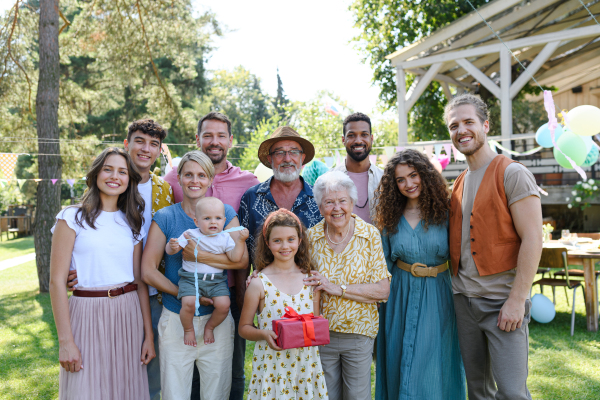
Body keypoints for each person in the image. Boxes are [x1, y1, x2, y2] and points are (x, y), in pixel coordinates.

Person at [445, 93, 543, 400]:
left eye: (468, 122)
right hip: (463, 302)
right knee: (477, 391)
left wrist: (517, 299)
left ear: (485, 125)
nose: (461, 130)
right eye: (454, 125)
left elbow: (533, 238)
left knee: (513, 393)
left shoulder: (512, 173)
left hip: (502, 301)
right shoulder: (459, 182)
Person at [66, 119, 172, 400]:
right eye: (139, 141)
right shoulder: (82, 211)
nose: (145, 149)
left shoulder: (167, 189)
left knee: (144, 377)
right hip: (104, 298)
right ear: (127, 145)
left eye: (153, 144)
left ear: (160, 150)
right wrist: (74, 270)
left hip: (153, 294)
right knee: (92, 379)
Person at [165, 111, 258, 400]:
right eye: (208, 135)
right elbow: (164, 222)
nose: (214, 141)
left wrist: (203, 255)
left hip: (228, 288)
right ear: (198, 139)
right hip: (187, 283)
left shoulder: (248, 181)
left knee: (229, 369)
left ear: (231, 141)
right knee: (188, 371)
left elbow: (246, 242)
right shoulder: (172, 179)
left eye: (220, 136)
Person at [49, 147, 155, 400]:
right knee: (85, 390)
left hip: (128, 313)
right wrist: (65, 341)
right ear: (96, 173)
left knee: (125, 390)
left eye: (122, 171)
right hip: (86, 312)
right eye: (108, 169)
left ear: (129, 179)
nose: (114, 176)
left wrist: (148, 336)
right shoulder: (71, 217)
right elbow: (55, 282)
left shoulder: (133, 222)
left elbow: (139, 281)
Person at [142, 150, 247, 400]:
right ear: (179, 178)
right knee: (174, 392)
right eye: (188, 174)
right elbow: (147, 270)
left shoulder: (224, 213)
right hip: (177, 317)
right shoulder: (167, 216)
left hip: (217, 321)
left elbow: (241, 259)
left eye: (201, 175)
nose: (195, 180)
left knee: (217, 392)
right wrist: (185, 293)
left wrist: (197, 256)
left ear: (210, 179)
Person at [373, 149, 466, 400]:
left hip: (440, 296)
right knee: (397, 357)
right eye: (400, 180)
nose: (408, 184)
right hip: (399, 297)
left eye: (413, 175)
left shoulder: (447, 211)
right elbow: (382, 265)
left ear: (424, 175)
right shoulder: (388, 217)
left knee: (436, 362)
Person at [304, 170, 391, 400]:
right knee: (325, 396)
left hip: (359, 333)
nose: (337, 208)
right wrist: (260, 277)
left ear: (352, 202)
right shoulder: (310, 238)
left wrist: (337, 288)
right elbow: (295, 277)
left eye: (342, 201)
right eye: (329, 202)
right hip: (322, 334)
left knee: (357, 396)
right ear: (320, 208)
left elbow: (382, 290)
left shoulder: (369, 235)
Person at [240, 209, 328, 399]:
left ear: (300, 240)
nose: (285, 246)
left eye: (291, 239)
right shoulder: (259, 283)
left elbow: (313, 320)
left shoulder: (310, 280)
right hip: (272, 366)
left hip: (305, 365)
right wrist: (263, 333)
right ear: (267, 243)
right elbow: (244, 328)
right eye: (277, 240)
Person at [238, 126, 322, 301]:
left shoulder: (319, 199)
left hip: (310, 297)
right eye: (279, 153)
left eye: (293, 152)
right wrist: (241, 300)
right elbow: (242, 256)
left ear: (302, 158)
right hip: (264, 298)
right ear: (270, 159)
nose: (287, 159)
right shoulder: (252, 198)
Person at [166, 197, 249, 346]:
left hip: (216, 280)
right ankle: (188, 329)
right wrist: (172, 247)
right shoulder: (190, 234)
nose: (213, 222)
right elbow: (172, 251)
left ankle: (210, 327)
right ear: (197, 221)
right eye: (207, 218)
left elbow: (235, 258)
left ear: (224, 221)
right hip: (191, 279)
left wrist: (240, 241)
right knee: (189, 303)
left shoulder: (225, 238)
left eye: (218, 218)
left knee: (224, 305)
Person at [332, 112, 383, 225]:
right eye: (351, 135)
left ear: (371, 138)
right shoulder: (329, 180)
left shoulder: (385, 179)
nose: (358, 141)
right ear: (343, 140)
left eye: (364, 134)